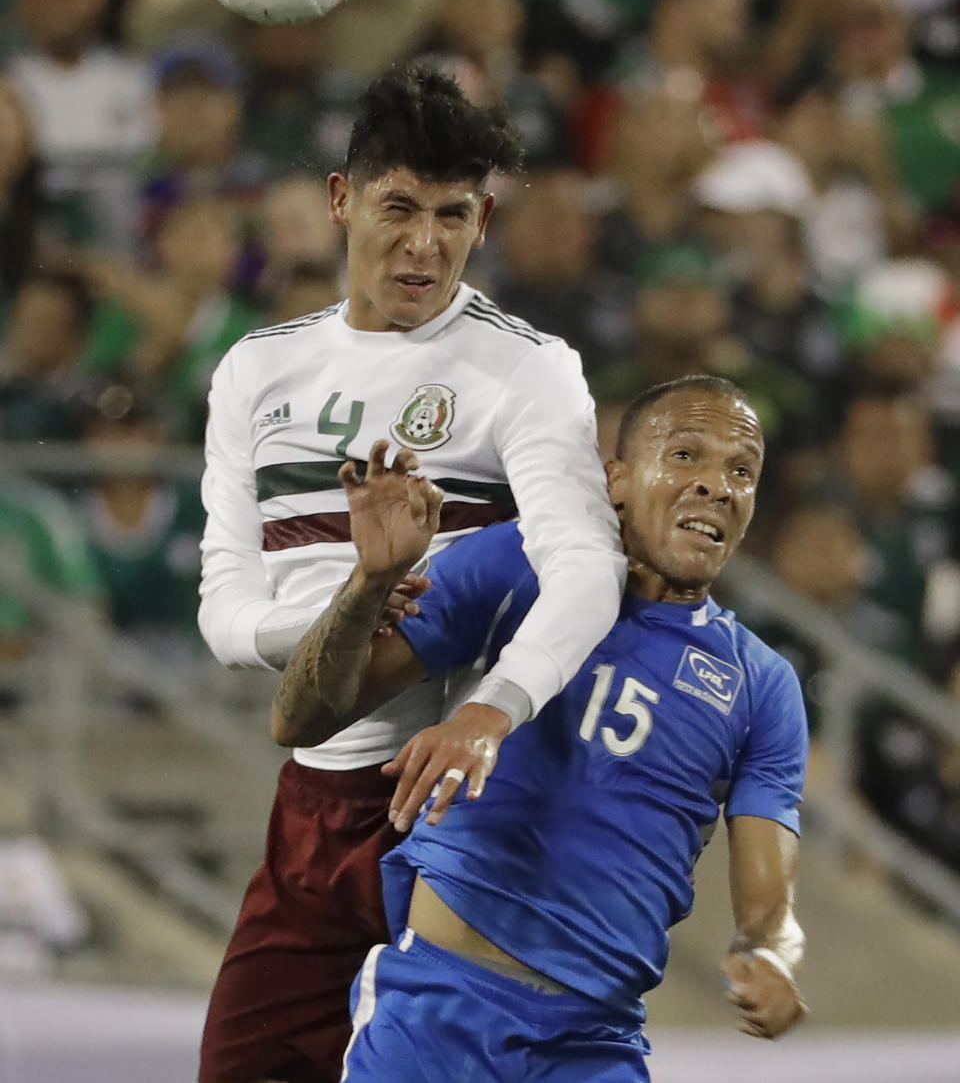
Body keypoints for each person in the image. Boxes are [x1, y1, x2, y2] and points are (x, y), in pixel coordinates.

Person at [197, 64, 626, 1083]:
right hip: (312, 799)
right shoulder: (257, 368)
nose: (426, 243)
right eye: (399, 207)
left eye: (455, 213)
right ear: (343, 200)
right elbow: (223, 607)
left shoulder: (528, 368)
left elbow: (587, 564)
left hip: (458, 809)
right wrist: (347, 615)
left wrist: (496, 709)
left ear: (481, 222)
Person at [272, 375, 808, 1080]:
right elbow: (301, 717)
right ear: (615, 480)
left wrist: (771, 951)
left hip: (593, 1045)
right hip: (438, 1013)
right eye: (685, 456)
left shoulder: (760, 686)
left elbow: (770, 904)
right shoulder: (518, 566)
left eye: (741, 471)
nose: (716, 484)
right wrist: (368, 587)